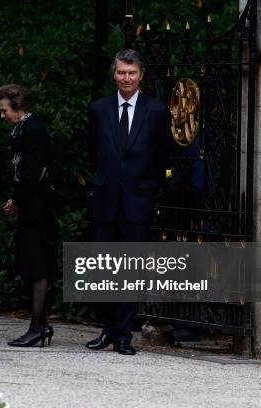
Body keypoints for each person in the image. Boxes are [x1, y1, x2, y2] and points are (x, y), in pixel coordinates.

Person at [85, 49, 171, 355]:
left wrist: (150, 190)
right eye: (121, 72)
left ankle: (123, 334)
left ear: (141, 75)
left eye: (132, 73)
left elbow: (163, 155)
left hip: (139, 200)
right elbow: (93, 152)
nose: (126, 78)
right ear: (114, 74)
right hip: (106, 198)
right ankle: (107, 328)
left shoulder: (157, 110)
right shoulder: (99, 109)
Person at [0, 84, 58, 347]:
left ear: (18, 108)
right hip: (31, 205)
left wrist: (16, 200)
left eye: (4, 110)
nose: (2, 115)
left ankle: (38, 325)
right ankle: (39, 324)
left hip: (38, 208)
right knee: (31, 263)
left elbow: (31, 173)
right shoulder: (22, 128)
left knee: (37, 264)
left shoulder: (33, 129)